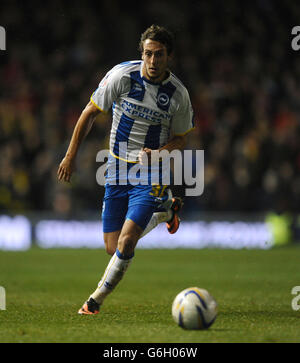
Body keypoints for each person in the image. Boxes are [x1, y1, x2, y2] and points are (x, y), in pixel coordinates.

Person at [57, 25, 195, 315]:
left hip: (151, 170)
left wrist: (158, 154)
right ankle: (166, 211)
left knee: (127, 240)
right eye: (148, 54)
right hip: (117, 167)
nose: (153, 61)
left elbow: (181, 139)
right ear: (141, 54)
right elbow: (89, 113)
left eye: (159, 55)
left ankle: (94, 301)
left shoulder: (178, 95)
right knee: (113, 246)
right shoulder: (122, 77)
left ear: (169, 56)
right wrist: (70, 156)